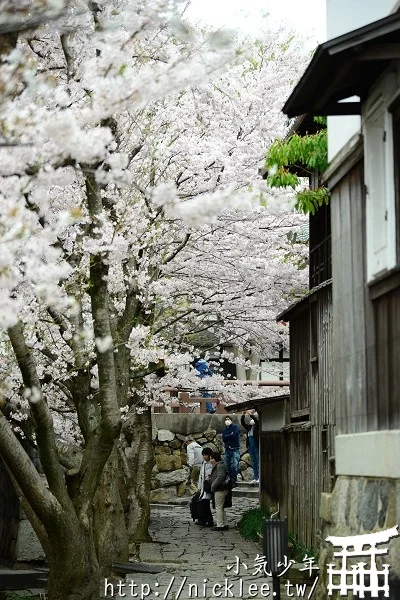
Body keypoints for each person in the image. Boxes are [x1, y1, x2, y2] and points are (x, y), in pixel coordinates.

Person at [209, 450, 231, 531]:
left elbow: (220, 477)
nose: (211, 460)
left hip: (220, 489)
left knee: (218, 507)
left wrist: (213, 486)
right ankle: (224, 523)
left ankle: (220, 525)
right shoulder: (221, 465)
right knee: (221, 507)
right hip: (222, 488)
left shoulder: (219, 466)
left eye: (212, 459)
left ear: (216, 459)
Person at [195, 447, 214, 527]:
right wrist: (199, 487)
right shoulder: (203, 463)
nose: (204, 456)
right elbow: (200, 476)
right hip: (202, 486)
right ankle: (202, 519)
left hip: (207, 486)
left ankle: (209, 521)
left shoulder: (210, 464)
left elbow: (208, 475)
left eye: (205, 455)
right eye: (203, 455)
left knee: (205, 504)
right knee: (202, 503)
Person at [241, 410, 260, 484]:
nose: (251, 421)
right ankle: (255, 477)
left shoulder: (257, 427)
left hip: (256, 447)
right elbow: (243, 423)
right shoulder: (249, 428)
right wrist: (243, 415)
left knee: (258, 462)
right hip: (250, 448)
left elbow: (256, 420)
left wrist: (251, 415)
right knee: (254, 463)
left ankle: (259, 477)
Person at [221, 416, 240, 486]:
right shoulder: (224, 430)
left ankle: (234, 480)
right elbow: (223, 438)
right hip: (227, 449)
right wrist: (230, 435)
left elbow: (235, 435)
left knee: (235, 464)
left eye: (228, 419)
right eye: (226, 420)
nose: (227, 421)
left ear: (231, 420)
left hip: (235, 448)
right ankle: (230, 479)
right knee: (227, 464)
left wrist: (227, 436)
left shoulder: (235, 427)